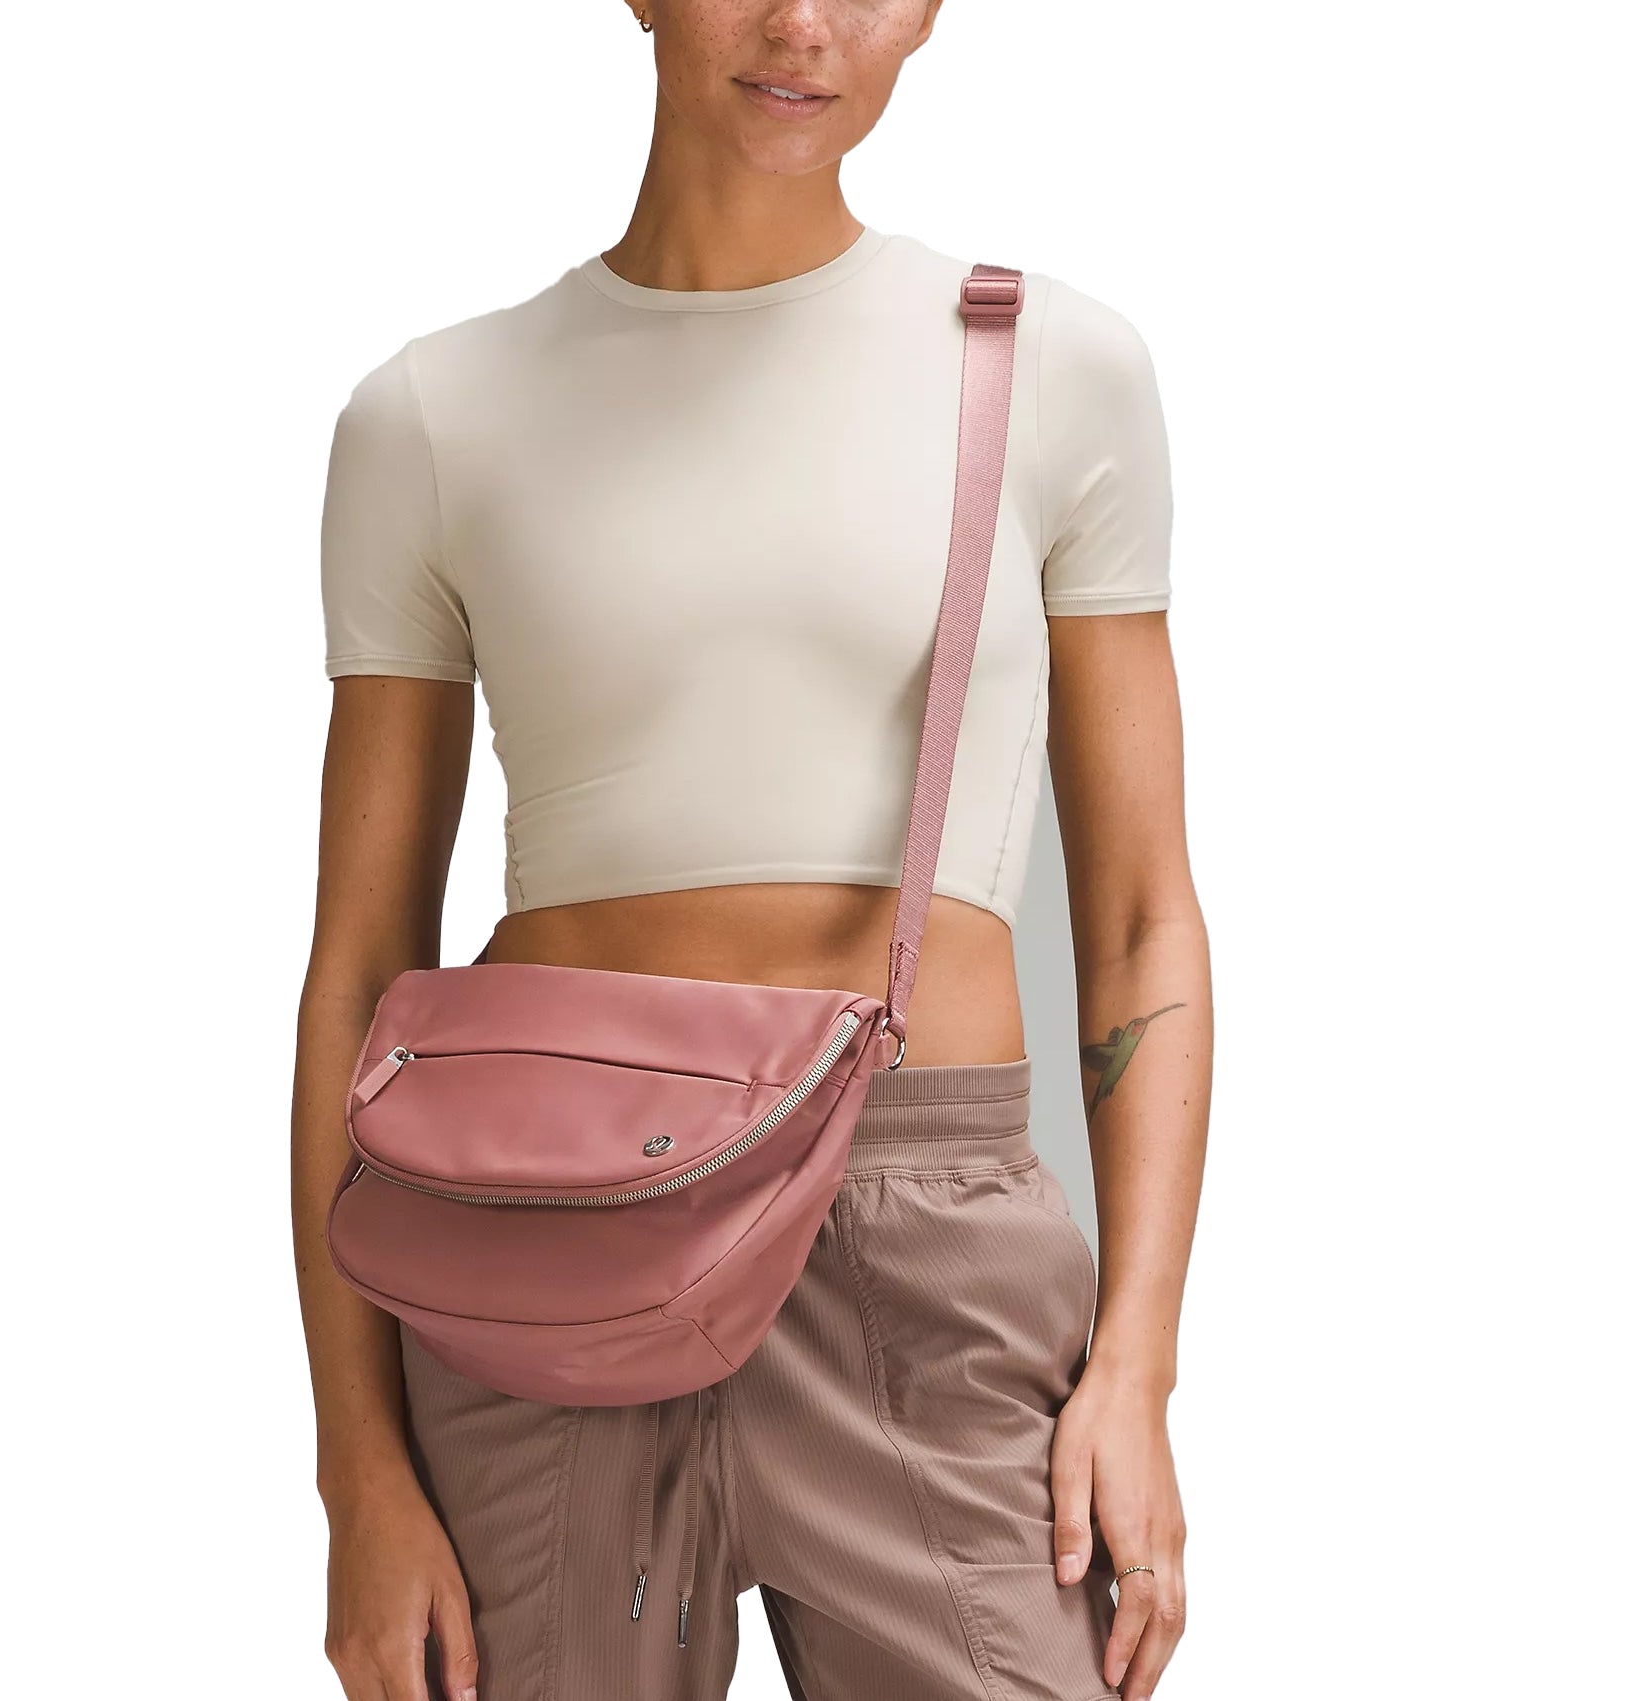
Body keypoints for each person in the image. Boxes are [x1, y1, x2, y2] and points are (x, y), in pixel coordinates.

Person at [291, 4, 1211, 1698]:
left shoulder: (1043, 365)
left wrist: (1137, 1366)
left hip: (921, 1229)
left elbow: (1143, 915)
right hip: (536, 1249)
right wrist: (359, 1473)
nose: (801, 24)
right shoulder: (432, 414)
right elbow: (361, 972)